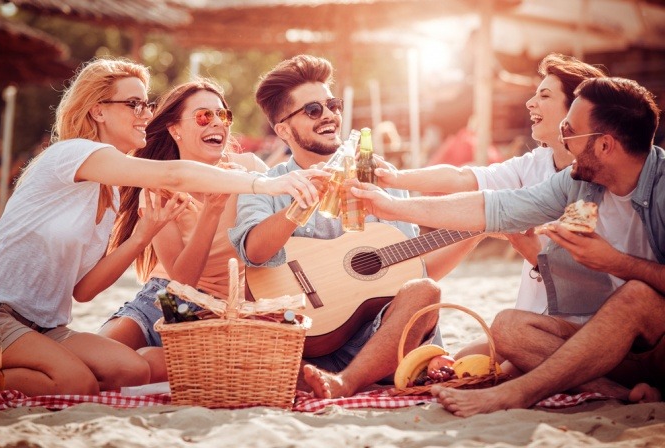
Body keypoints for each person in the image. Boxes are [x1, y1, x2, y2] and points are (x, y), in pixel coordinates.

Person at [0, 58, 325, 397]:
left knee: (131, 369)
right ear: (98, 111)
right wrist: (266, 184)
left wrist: (142, 235)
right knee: (76, 383)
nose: (146, 114)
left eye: (147, 104)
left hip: (46, 326)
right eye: (133, 104)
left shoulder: (109, 192)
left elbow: (83, 292)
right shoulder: (71, 154)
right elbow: (173, 174)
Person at [352, 76, 664, 415]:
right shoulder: (577, 182)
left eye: (570, 132)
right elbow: (494, 207)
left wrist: (617, 262)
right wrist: (392, 205)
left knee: (637, 295)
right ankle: (619, 393)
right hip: (608, 346)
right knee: (508, 328)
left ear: (605, 145)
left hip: (655, 340)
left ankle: (517, 393)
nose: (562, 140)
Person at [229, 54, 443, 399]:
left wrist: (482, 228)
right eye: (313, 110)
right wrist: (302, 201)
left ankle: (347, 381)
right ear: (283, 129)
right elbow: (253, 253)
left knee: (426, 291)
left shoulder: (377, 174)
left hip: (379, 338)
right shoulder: (266, 184)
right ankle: (332, 377)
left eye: (332, 104)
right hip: (304, 342)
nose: (329, 115)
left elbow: (416, 268)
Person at [375, 53, 607, 364]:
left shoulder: (602, 178)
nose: (530, 102)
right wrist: (393, 177)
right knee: (457, 362)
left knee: (504, 356)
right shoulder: (535, 164)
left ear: (576, 110)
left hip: (588, 323)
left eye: (545, 95)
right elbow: (463, 177)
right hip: (531, 316)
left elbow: (596, 282)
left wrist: (534, 255)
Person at [98, 79, 269, 382]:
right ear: (175, 129)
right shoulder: (158, 188)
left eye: (223, 115)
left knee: (142, 367)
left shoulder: (250, 171)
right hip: (165, 297)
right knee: (96, 359)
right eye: (204, 116)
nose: (217, 122)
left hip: (220, 312)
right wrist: (212, 212)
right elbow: (182, 284)